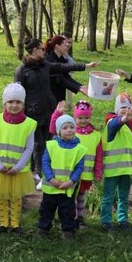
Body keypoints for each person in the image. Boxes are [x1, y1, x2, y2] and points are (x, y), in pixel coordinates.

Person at [14, 38, 85, 182]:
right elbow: (17, 92)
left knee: (47, 142)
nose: (44, 51)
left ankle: (41, 170)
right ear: (34, 50)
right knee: (38, 144)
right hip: (32, 112)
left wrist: (85, 66)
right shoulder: (22, 70)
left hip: (49, 110)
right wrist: (20, 112)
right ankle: (40, 174)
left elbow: (62, 67)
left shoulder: (44, 65)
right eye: (42, 49)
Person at [0, 83, 36, 234]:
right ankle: (3, 223)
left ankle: (15, 223)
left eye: (18, 102)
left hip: (18, 169)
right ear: (4, 103)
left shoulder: (29, 124)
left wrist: (18, 167)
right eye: (10, 102)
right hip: (0, 168)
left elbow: (29, 148)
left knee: (16, 196)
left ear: (23, 104)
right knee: (1, 196)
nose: (14, 105)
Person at [56, 100, 103, 229]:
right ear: (75, 118)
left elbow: (99, 156)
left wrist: (98, 172)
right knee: (69, 196)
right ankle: (67, 218)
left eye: (86, 117)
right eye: (80, 118)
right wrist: (57, 113)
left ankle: (80, 218)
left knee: (81, 195)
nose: (83, 120)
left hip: (86, 174)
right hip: (71, 174)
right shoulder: (71, 132)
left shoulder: (96, 135)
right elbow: (54, 131)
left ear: (90, 117)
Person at [38, 114, 86, 238]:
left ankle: (68, 230)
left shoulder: (80, 149)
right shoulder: (51, 145)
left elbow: (79, 168)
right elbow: (45, 163)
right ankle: (43, 227)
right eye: (65, 127)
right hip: (51, 186)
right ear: (59, 131)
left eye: (72, 127)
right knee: (47, 208)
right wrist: (51, 179)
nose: (69, 130)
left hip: (67, 188)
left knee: (67, 210)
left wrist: (71, 181)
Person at [101, 92, 132, 232]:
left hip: (127, 170)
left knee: (124, 197)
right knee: (108, 197)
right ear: (116, 109)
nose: (125, 110)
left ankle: (123, 220)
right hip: (112, 170)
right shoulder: (112, 122)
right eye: (122, 107)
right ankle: (106, 220)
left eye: (127, 107)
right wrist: (123, 118)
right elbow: (115, 125)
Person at [44, 35, 98, 104]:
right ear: (57, 46)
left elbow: (66, 76)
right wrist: (78, 88)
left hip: (59, 95)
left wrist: (79, 86)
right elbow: (60, 78)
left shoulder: (61, 59)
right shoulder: (48, 60)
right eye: (65, 45)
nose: (67, 47)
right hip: (49, 98)